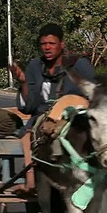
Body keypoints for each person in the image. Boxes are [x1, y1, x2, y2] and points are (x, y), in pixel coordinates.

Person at [9, 22, 95, 193]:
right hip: (42, 119)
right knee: (27, 136)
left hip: (73, 117)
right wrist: (24, 82)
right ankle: (31, 178)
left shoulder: (79, 65)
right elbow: (29, 107)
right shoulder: (34, 66)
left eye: (52, 43)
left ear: (61, 44)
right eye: (43, 44)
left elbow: (94, 93)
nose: (47, 48)